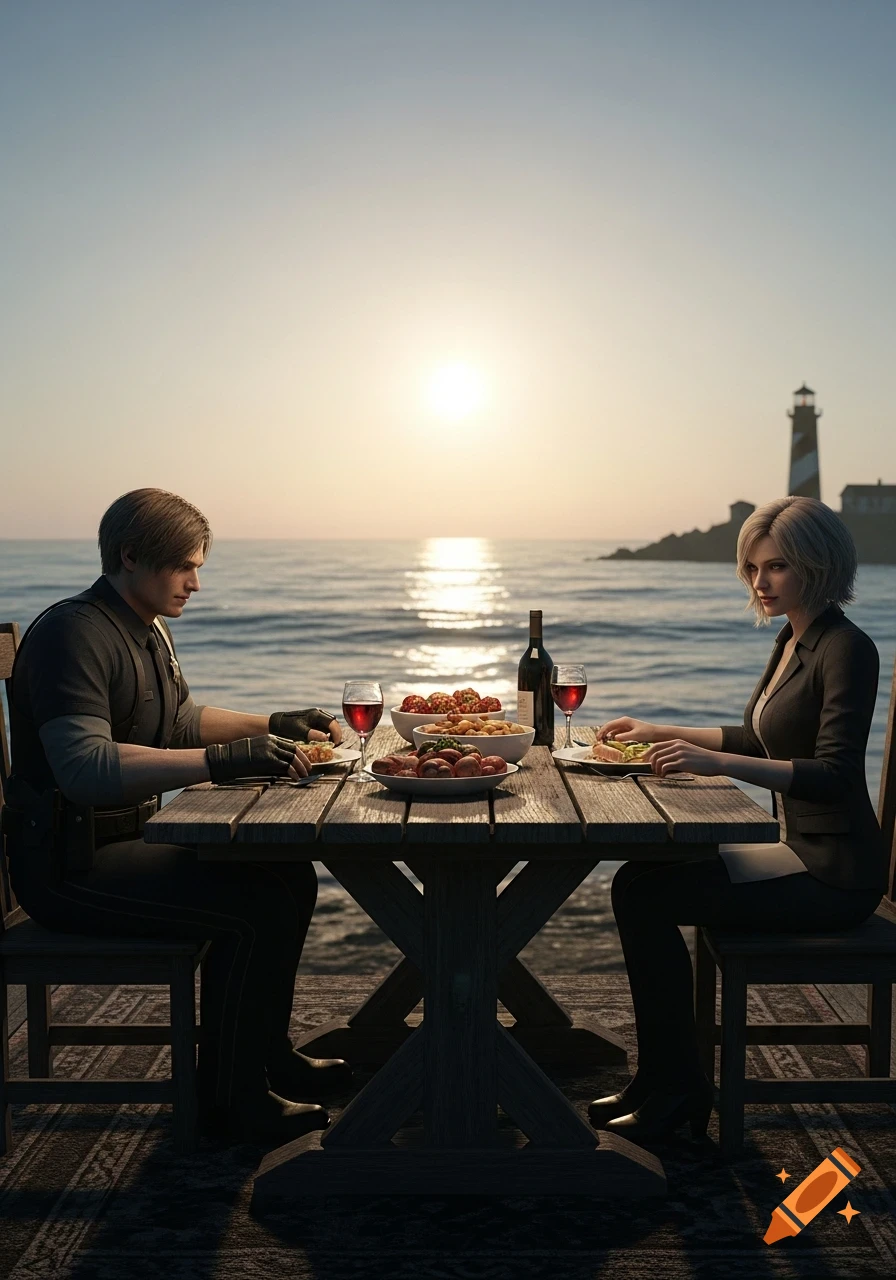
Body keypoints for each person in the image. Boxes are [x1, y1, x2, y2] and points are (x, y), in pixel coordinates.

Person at [4, 488, 352, 1145]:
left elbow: (179, 721)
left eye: (199, 567)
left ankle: (264, 1059)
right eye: (184, 567)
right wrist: (220, 762)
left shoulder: (144, 629)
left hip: (121, 845)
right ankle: (233, 1102)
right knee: (258, 902)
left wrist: (273, 724)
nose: (196, 582)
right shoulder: (71, 634)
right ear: (131, 557)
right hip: (67, 870)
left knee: (287, 870)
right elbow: (83, 767)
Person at [588, 496, 886, 1145]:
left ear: (819, 562)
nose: (760, 582)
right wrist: (661, 729)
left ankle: (677, 1093)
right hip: (796, 848)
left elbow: (832, 773)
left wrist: (712, 761)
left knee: (646, 895)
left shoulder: (847, 648)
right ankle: (661, 1081)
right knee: (638, 880)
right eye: (753, 568)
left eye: (777, 566)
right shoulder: (793, 639)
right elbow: (760, 737)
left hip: (835, 874)